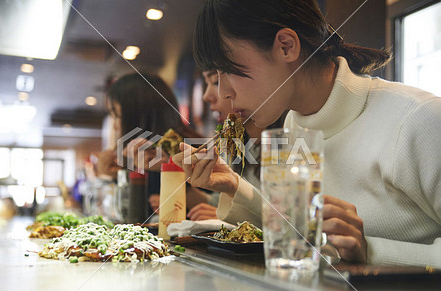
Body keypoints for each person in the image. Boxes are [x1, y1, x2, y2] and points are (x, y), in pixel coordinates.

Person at [172, 0, 441, 268]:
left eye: (229, 69)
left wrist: (370, 250)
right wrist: (233, 184)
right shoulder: (293, 125)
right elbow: (298, 230)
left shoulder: (418, 119)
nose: (223, 93)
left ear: (286, 46)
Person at [187, 70, 286, 221]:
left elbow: (290, 220)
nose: (206, 96)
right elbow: (220, 200)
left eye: (216, 82)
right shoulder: (234, 143)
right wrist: (177, 174)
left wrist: (230, 216)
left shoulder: (291, 141)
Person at [97, 73, 200, 216]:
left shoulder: (184, 148)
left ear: (137, 116)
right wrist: (117, 172)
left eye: (117, 116)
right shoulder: (140, 155)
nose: (114, 126)